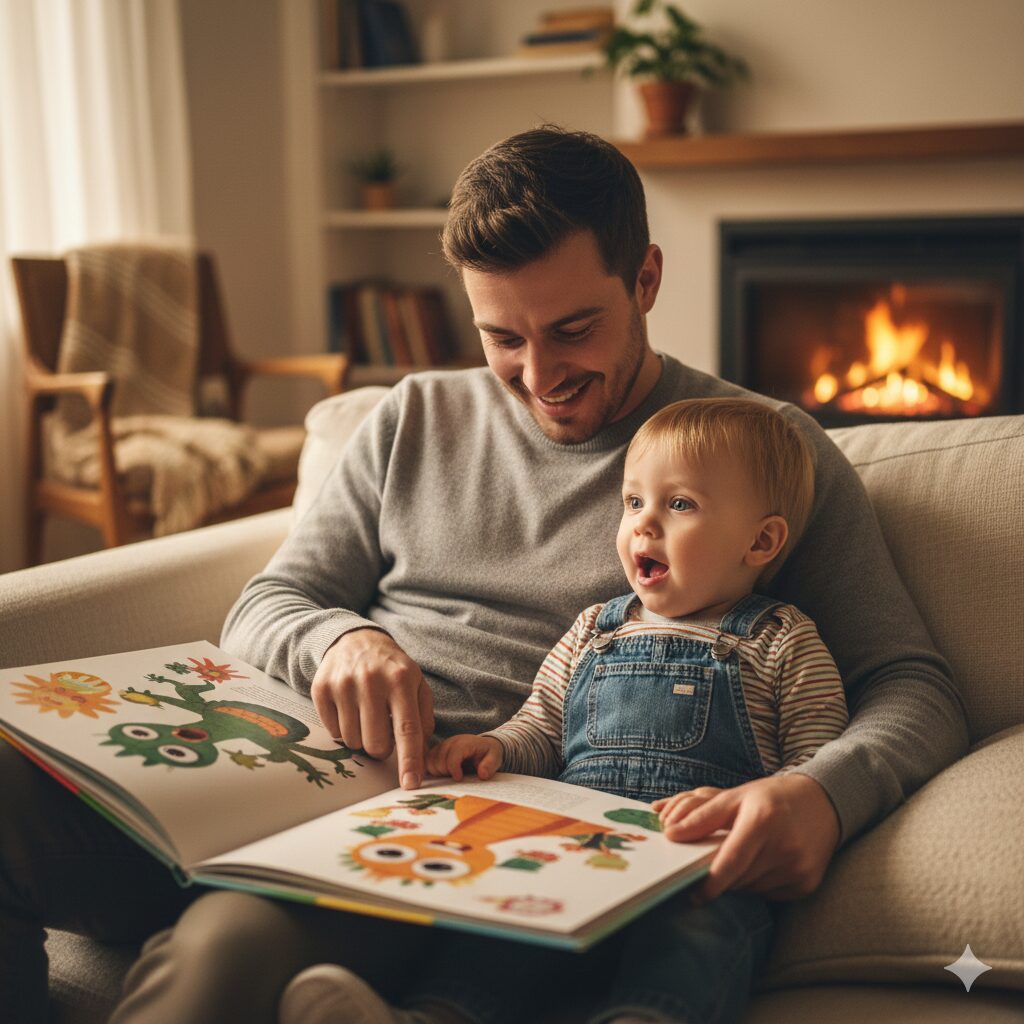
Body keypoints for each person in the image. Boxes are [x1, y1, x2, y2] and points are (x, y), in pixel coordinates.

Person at [0, 126, 967, 1024]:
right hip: (287, 777)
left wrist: (826, 792)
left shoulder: (758, 455)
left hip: (458, 837)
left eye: (574, 329)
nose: (539, 374)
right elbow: (267, 602)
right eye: (503, 337)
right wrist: (343, 637)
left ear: (646, 278)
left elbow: (911, 683)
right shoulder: (409, 416)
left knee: (223, 960)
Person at [277, 396, 850, 1024]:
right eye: (634, 502)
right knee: (495, 932)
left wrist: (782, 798)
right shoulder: (593, 629)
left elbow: (817, 760)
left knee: (695, 942)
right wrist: (494, 746)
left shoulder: (782, 640)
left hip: (696, 871)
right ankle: (434, 1014)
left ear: (761, 540)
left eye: (678, 504)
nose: (644, 525)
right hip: (576, 856)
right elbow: (543, 724)